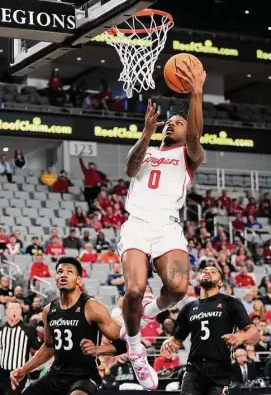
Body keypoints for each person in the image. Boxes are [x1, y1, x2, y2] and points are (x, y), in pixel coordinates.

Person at [118, 62, 206, 389]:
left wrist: (196, 93)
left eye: (178, 122)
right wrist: (146, 134)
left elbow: (196, 135)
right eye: (169, 121)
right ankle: (136, 347)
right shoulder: (150, 151)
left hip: (168, 227)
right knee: (134, 289)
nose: (171, 124)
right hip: (138, 226)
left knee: (179, 289)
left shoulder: (190, 155)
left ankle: (151, 311)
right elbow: (129, 169)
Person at [10, 257, 125, 395]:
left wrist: (98, 349)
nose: (63, 274)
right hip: (56, 374)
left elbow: (124, 342)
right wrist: (24, 369)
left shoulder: (92, 306)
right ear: (56, 279)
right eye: (60, 272)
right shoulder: (48, 310)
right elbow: (48, 346)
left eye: (69, 272)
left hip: (85, 376)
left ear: (78, 280)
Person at [160, 266, 260, 395]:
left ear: (220, 283)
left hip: (220, 370)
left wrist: (240, 337)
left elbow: (255, 334)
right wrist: (169, 345)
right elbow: (177, 340)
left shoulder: (230, 302)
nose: (207, 272)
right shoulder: (188, 308)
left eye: (213, 271)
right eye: (204, 271)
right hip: (193, 370)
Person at [0, 302, 40, 395]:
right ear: (6, 312)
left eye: (17, 308)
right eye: (11, 308)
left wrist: (33, 365)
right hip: (2, 372)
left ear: (21, 311)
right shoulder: (1, 329)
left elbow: (38, 348)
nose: (14, 310)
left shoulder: (29, 329)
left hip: (18, 373)